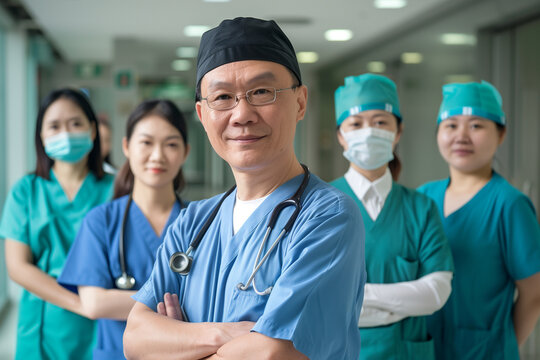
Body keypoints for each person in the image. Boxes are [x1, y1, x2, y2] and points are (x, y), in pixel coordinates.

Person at [123, 17, 366, 360]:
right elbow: (135, 338)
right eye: (222, 97)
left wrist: (180, 342)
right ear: (202, 115)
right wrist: (228, 334)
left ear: (300, 102)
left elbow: (272, 353)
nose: (242, 114)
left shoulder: (328, 217)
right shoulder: (193, 223)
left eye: (262, 92)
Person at [330, 74, 454, 360]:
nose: (369, 132)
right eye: (356, 124)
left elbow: (436, 292)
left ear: (398, 132)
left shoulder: (420, 208)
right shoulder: (319, 205)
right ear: (340, 135)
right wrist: (402, 300)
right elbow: (316, 299)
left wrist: (359, 296)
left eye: (380, 122)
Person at [58, 100, 190, 359]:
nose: (158, 155)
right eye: (146, 142)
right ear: (127, 146)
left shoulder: (201, 222)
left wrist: (123, 300)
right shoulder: (101, 221)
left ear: (185, 152)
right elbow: (95, 304)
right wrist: (177, 304)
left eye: (171, 144)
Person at [418, 81, 540, 359]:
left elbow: (534, 295)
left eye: (476, 125)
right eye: (451, 125)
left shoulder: (510, 204)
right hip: (424, 349)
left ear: (501, 133)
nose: (461, 136)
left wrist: (500, 346)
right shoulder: (423, 198)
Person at [0, 88, 114, 360]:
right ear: (41, 136)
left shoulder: (117, 189)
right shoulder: (25, 191)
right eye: (54, 126)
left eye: (75, 124)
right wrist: (81, 305)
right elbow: (17, 266)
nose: (65, 133)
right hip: (44, 320)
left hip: (103, 319)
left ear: (93, 130)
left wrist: (95, 306)